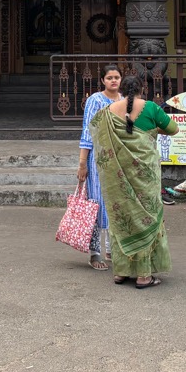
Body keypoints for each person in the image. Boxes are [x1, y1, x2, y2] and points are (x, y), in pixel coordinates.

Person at [91, 74, 178, 289]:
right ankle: (143, 276)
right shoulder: (151, 108)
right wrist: (152, 131)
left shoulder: (107, 112)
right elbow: (173, 129)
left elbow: (95, 135)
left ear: (122, 89)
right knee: (145, 218)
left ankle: (121, 272)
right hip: (145, 175)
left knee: (123, 218)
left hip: (118, 176)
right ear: (142, 89)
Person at [77, 64, 122, 271]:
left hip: (118, 159)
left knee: (116, 202)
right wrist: (82, 163)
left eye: (116, 77)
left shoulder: (123, 101)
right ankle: (95, 252)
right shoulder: (95, 100)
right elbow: (88, 131)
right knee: (96, 202)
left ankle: (112, 247)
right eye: (109, 77)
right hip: (98, 159)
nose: (113, 81)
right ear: (103, 80)